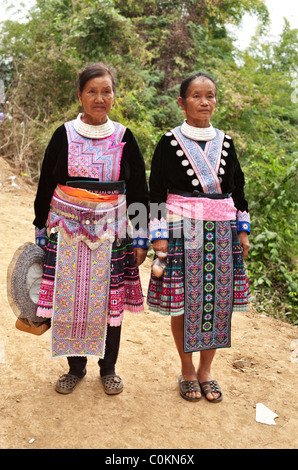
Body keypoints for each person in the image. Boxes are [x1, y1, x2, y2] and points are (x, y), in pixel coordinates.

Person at [34, 62, 149, 395]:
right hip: (66, 229)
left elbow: (140, 191)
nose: (100, 98)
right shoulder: (64, 135)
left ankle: (108, 368)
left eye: (106, 91)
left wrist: (141, 236)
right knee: (70, 299)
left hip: (112, 232)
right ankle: (75, 367)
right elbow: (46, 185)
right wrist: (40, 228)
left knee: (108, 300)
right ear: (80, 96)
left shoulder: (125, 137)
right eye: (92, 91)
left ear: (114, 95)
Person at [147, 72, 251, 402]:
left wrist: (243, 230)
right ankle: (187, 369)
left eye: (210, 95)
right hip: (183, 230)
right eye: (196, 96)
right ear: (182, 102)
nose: (204, 101)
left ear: (216, 101)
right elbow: (155, 192)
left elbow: (238, 189)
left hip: (222, 232)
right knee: (185, 301)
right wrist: (158, 234)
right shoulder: (169, 142)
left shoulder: (227, 142)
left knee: (218, 302)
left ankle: (207, 370)